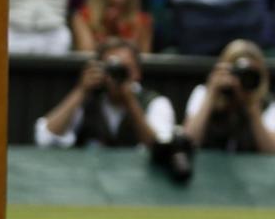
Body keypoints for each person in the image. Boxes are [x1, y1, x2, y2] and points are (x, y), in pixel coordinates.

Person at [34, 41, 177, 150]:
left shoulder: (156, 103)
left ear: (137, 72)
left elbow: (161, 148)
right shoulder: (88, 100)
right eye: (112, 68)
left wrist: (130, 101)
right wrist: (81, 90)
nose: (117, 76)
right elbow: (44, 138)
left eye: (125, 69)